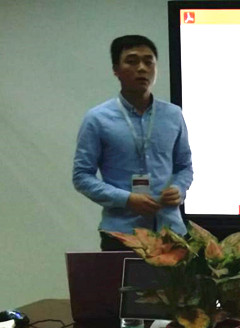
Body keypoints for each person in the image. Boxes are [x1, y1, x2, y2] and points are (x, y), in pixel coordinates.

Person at [73, 35, 193, 250]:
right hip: (122, 234)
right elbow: (82, 177)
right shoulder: (97, 119)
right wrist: (126, 199)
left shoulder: (173, 115)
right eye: (132, 61)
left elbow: (184, 166)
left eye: (149, 62)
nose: (142, 68)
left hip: (171, 232)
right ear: (116, 70)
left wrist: (179, 188)